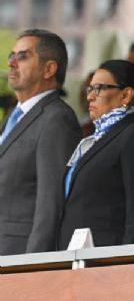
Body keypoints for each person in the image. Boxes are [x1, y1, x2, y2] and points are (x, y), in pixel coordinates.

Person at [0, 30, 80, 254]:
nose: (12, 63)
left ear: (49, 69)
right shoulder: (13, 118)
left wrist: (34, 266)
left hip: (18, 257)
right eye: (11, 56)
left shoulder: (56, 118)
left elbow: (50, 203)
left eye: (23, 56)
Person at [58, 60, 134, 249]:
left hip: (104, 258)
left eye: (99, 88)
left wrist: (125, 260)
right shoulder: (92, 140)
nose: (90, 97)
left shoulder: (132, 135)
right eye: (89, 89)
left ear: (126, 95)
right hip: (74, 257)